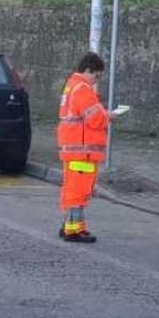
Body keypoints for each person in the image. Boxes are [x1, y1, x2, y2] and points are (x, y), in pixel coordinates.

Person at [57, 53, 110, 243]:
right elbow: (95, 119)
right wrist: (108, 116)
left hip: (74, 149)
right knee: (78, 191)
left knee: (73, 189)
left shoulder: (72, 85)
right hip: (82, 150)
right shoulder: (82, 89)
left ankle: (72, 226)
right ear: (87, 70)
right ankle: (73, 230)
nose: (96, 81)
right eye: (96, 76)